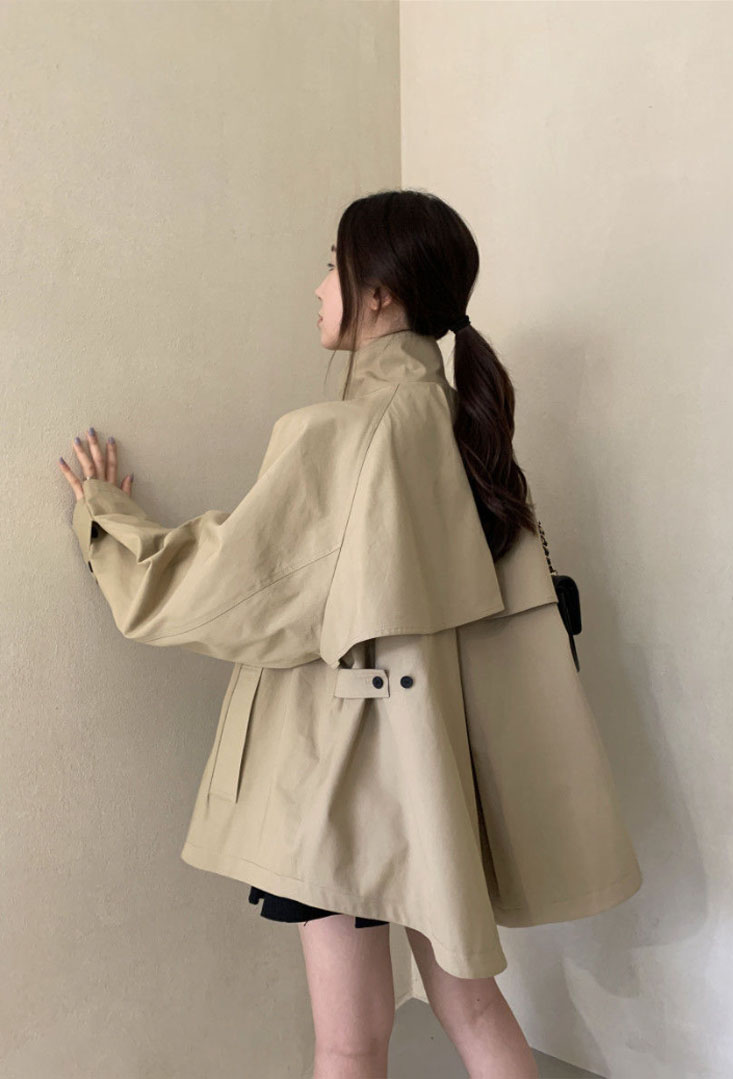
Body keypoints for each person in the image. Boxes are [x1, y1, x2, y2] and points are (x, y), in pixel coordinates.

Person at [59, 190, 640, 1079]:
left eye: (333, 263)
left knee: (349, 1041)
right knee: (474, 1007)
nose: (318, 284)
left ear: (379, 292)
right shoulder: (466, 428)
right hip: (434, 769)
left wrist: (108, 519)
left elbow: (226, 585)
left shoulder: (346, 433)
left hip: (344, 778)